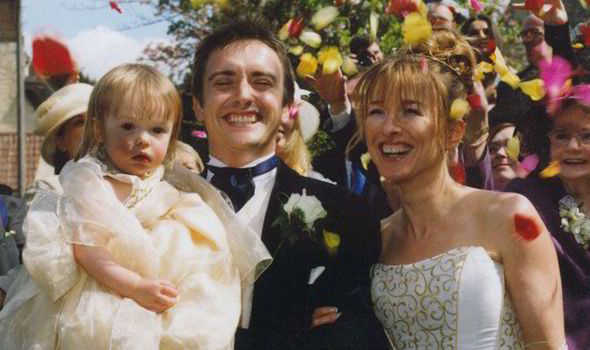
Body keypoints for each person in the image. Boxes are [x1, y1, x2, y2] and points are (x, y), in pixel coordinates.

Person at [0, 63, 270, 350]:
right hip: (100, 296)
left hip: (160, 297)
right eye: (128, 127)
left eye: (157, 130)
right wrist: (135, 287)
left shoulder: (179, 190)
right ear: (99, 130)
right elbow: (86, 248)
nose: (143, 139)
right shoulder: (92, 182)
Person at [352, 30, 565, 348]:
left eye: (410, 110)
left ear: (454, 131)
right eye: (376, 111)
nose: (389, 127)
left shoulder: (509, 216)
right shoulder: (375, 240)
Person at [191, 19, 388, 349]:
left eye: (262, 82)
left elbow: (357, 330)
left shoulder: (343, 212)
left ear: (286, 108)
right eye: (224, 82)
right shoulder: (162, 205)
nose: (243, 95)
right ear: (198, 104)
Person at [506, 99, 590, 349]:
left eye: (587, 136)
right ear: (546, 141)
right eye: (562, 136)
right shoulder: (525, 199)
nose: (573, 147)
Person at [25, 82, 94, 203]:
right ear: (60, 142)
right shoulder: (47, 190)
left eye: (95, 120)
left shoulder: (130, 186)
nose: (92, 129)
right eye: (79, 122)